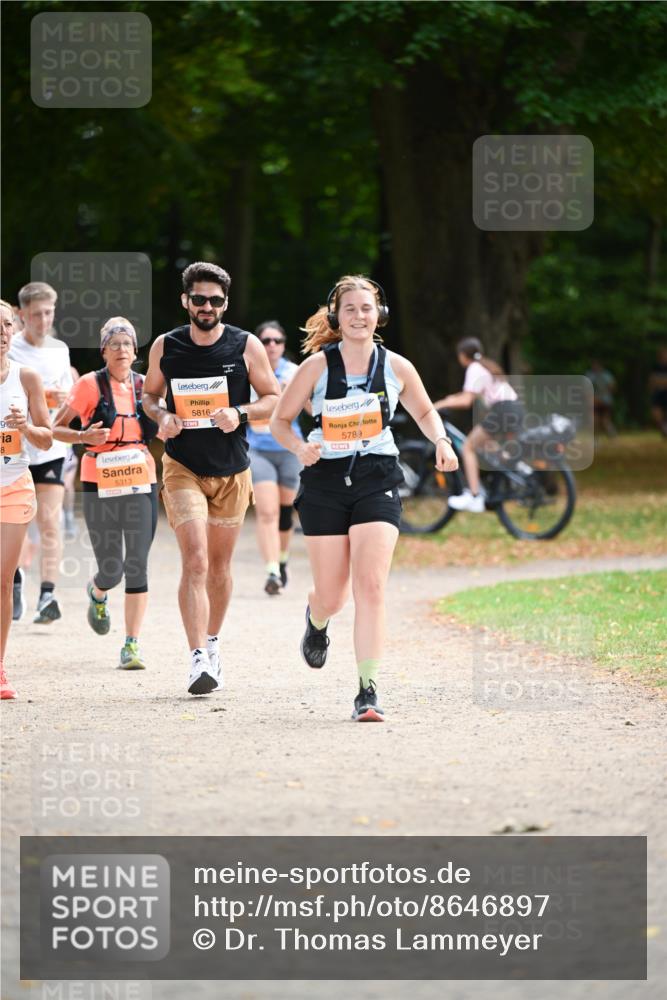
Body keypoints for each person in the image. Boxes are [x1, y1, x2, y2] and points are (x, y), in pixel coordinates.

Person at [270, 275, 458, 722]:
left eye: (366, 307)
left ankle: (367, 690)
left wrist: (441, 441)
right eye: (350, 308)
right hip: (325, 481)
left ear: (380, 314)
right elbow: (280, 421)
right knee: (333, 596)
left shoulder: (397, 367)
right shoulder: (315, 367)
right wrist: (300, 448)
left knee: (370, 586)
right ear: (337, 315)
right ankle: (318, 620)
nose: (358, 315)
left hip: (377, 477)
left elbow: (426, 411)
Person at [142, 261, 280, 695]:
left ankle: (213, 641)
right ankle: (197, 656)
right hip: (182, 466)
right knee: (196, 561)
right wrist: (162, 415)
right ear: (185, 301)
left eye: (215, 300)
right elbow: (148, 395)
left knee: (219, 567)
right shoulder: (167, 345)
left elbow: (273, 399)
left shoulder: (246, 345)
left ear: (226, 304)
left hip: (232, 471)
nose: (207, 306)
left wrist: (238, 412)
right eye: (199, 299)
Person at [52, 318, 159, 670]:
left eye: (127, 344)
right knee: (112, 568)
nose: (122, 350)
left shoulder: (146, 387)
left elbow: (168, 422)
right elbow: (56, 429)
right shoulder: (88, 385)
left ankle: (132, 644)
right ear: (103, 351)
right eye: (114, 344)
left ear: (135, 351)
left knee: (138, 563)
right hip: (100, 481)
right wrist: (84, 438)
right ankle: (98, 591)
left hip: (141, 478)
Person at [9, 281, 73, 622]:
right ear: (22, 315)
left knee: (51, 520)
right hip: (16, 448)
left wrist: (64, 399)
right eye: (37, 314)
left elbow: (67, 394)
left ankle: (48, 595)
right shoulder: (10, 349)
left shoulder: (60, 350)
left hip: (49, 447)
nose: (44, 320)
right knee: (14, 524)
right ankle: (15, 581)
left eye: (49, 313)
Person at [0, 299, 53, 699]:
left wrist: (26, 425)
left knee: (3, 581)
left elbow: (47, 438)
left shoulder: (27, 377)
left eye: (6, 325)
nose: (2, 333)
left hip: (14, 484)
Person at [247, 321, 304, 595]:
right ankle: (271, 570)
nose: (272, 346)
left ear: (283, 345)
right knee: (266, 512)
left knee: (284, 513)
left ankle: (282, 560)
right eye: (266, 340)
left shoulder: (295, 372)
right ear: (258, 344)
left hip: (290, 450)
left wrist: (292, 390)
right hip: (257, 449)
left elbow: (312, 406)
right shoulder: (247, 371)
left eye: (277, 341)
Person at [434, 337, 522, 513]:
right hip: (514, 409)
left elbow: (466, 401)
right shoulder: (487, 366)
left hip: (502, 410)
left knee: (468, 447)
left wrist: (439, 405)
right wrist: (450, 399)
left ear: (462, 355)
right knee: (487, 444)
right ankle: (511, 470)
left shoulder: (474, 368)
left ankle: (475, 496)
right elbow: (469, 394)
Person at [586, 360, 616, 437]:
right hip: (595, 401)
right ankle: (597, 437)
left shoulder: (606, 375)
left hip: (604, 401)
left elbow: (612, 388)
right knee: (595, 420)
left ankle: (612, 436)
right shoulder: (591, 375)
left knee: (605, 420)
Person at [648, 346, 667, 438]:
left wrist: (659, 381)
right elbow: (652, 380)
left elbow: (656, 380)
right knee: (655, 414)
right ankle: (664, 429)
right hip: (658, 393)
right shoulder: (655, 366)